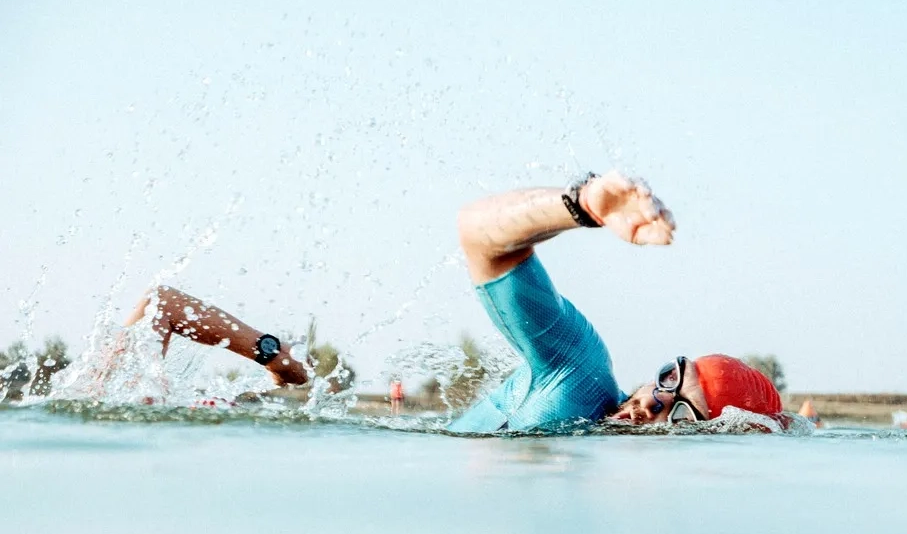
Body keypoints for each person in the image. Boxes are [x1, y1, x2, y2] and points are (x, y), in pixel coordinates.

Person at [118, 170, 784, 431]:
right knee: (157, 314)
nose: (653, 397)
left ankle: (280, 365)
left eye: (677, 405)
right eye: (668, 375)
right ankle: (278, 365)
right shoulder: (582, 373)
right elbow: (477, 235)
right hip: (362, 465)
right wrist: (579, 206)